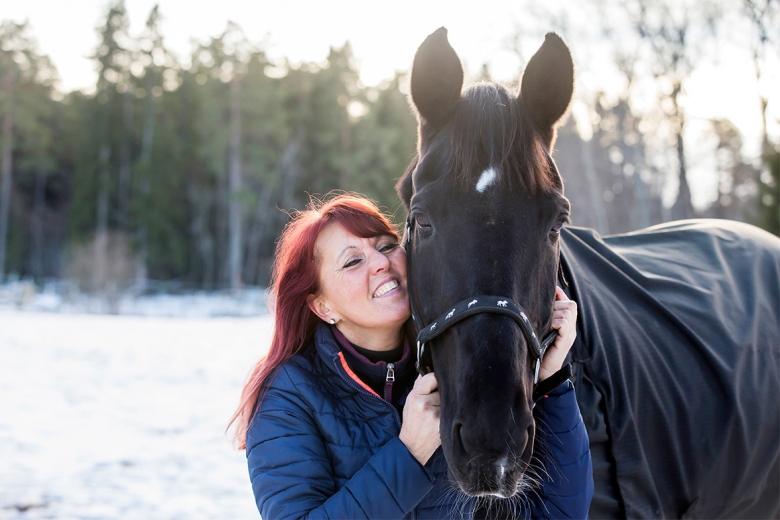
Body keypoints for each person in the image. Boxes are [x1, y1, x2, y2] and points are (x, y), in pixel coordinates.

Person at [229, 193, 593, 519]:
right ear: (322, 306)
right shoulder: (288, 396)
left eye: (386, 246)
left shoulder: (451, 370)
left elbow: (560, 512)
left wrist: (551, 381)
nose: (380, 263)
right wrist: (409, 454)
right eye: (352, 261)